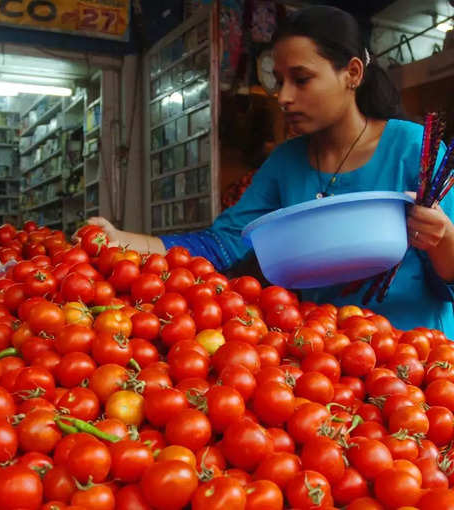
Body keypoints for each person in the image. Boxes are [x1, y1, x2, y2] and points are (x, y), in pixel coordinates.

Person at [90, 6, 454, 337]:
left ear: (352, 73)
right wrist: (121, 239)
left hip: (417, 361)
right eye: (279, 82)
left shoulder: (413, 149)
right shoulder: (285, 162)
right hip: (327, 361)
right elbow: (224, 245)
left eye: (302, 79)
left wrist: (442, 237)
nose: (283, 97)